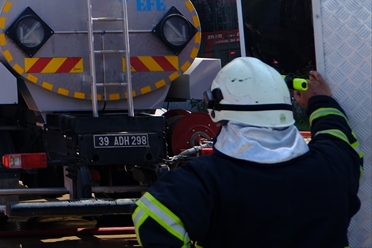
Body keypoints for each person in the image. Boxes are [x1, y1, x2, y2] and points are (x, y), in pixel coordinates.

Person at [133, 57, 362, 247]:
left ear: (216, 111)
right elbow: (337, 135)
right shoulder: (333, 164)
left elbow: (152, 218)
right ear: (284, 104)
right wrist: (321, 102)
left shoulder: (205, 180)